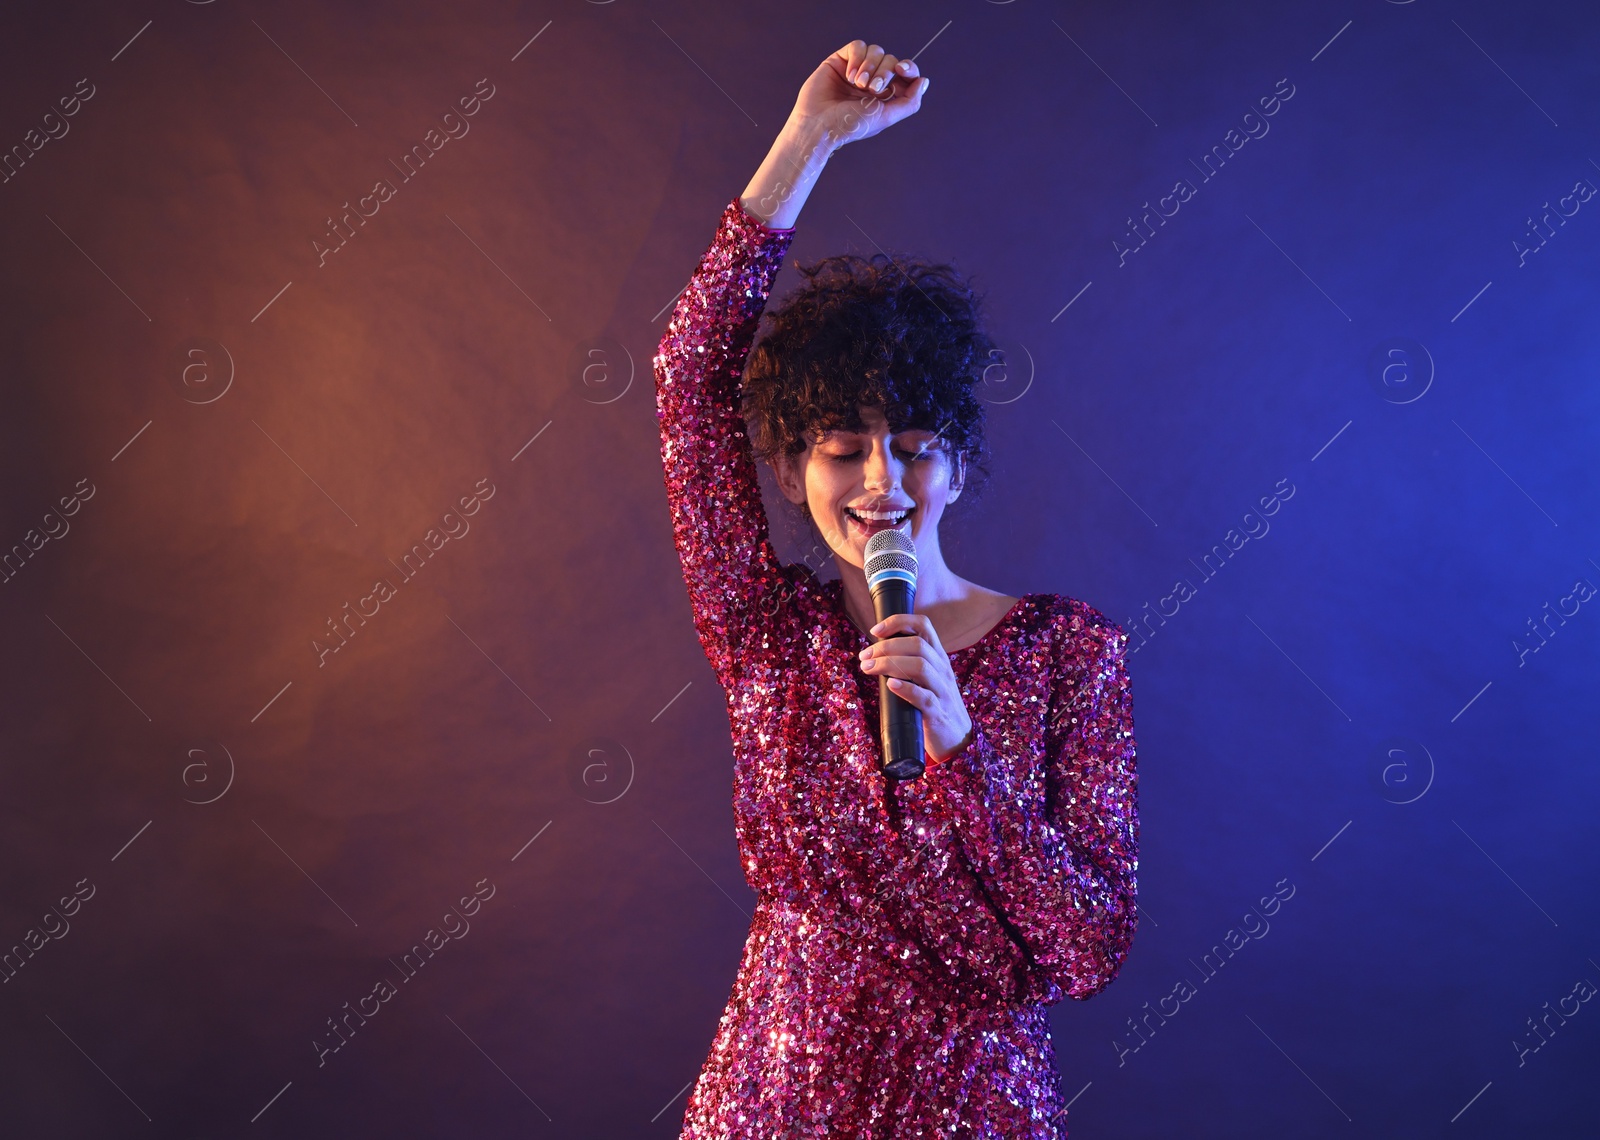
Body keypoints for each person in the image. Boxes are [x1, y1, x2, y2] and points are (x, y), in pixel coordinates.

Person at [653, 38, 1138, 1138]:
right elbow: (687, 382)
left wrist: (962, 748)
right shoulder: (767, 638)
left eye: (913, 445)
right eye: (840, 446)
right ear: (790, 469)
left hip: (973, 1108)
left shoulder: (1068, 650)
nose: (879, 480)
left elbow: (1086, 947)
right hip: (773, 1103)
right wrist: (807, 139)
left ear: (958, 465)